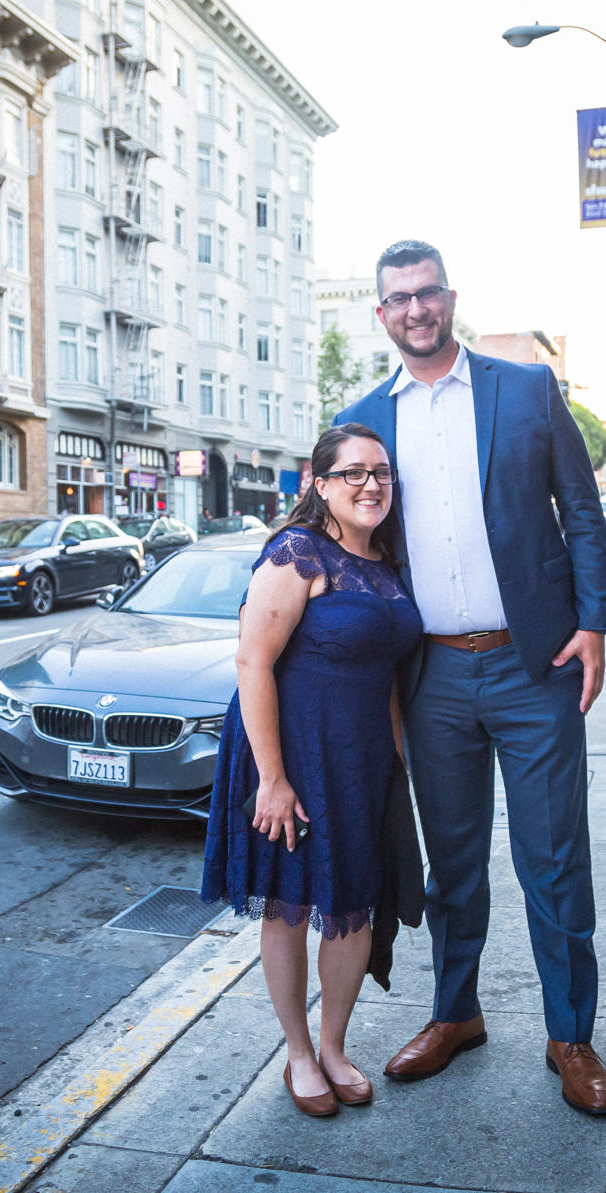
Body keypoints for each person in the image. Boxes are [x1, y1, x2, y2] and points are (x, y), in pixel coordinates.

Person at [336, 239, 606, 1115]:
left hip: (533, 667)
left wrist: (594, 623)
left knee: (555, 860)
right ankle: (455, 1014)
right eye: (398, 299)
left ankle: (570, 1033)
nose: (415, 310)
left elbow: (580, 508)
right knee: (451, 867)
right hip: (432, 679)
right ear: (381, 314)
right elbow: (341, 535)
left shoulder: (525, 389)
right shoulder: (364, 419)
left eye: (427, 294)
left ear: (450, 298)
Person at [201, 424, 423, 1118]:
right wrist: (271, 779)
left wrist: (396, 765)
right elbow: (252, 662)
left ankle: (333, 1046)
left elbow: (385, 673)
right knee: (292, 904)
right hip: (291, 755)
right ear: (319, 484)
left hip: (360, 762)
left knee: (352, 906)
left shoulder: (384, 564)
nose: (370, 485)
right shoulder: (297, 552)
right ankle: (298, 1053)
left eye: (381, 473)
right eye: (352, 473)